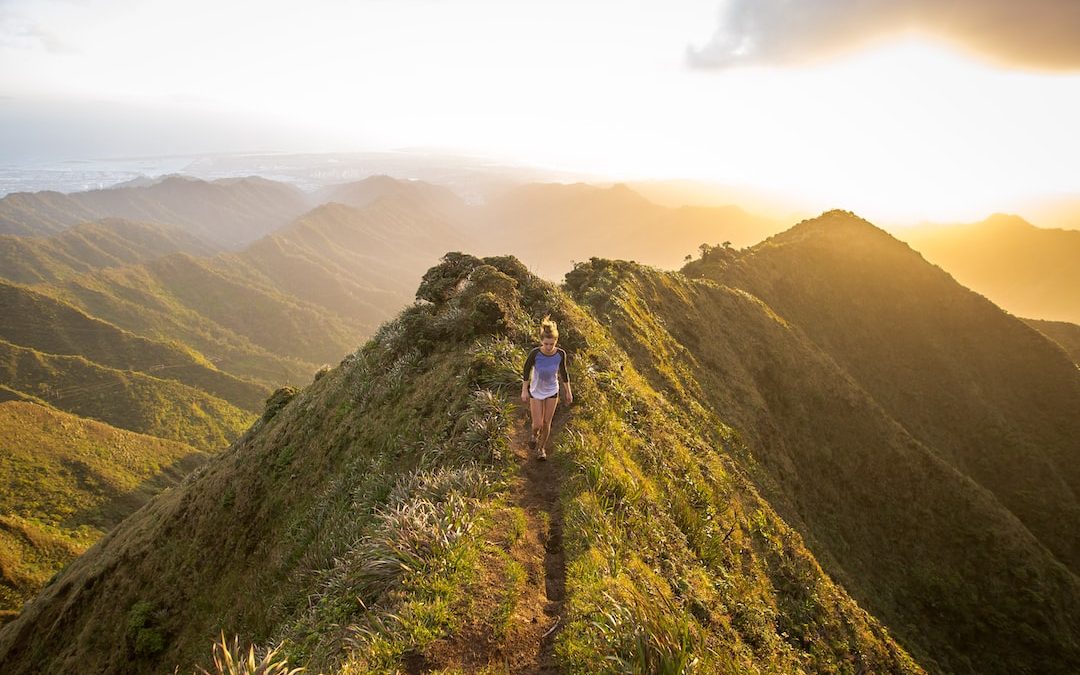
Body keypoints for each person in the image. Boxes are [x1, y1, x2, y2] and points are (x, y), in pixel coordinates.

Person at [520, 315, 572, 460]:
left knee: (546, 422)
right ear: (542, 341)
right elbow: (526, 370)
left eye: (552, 344)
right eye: (546, 344)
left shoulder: (561, 354)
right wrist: (524, 390)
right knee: (537, 424)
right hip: (536, 391)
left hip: (552, 391)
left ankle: (541, 449)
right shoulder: (535, 354)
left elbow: (564, 372)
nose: (549, 347)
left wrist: (568, 392)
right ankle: (533, 435)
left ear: (556, 341)